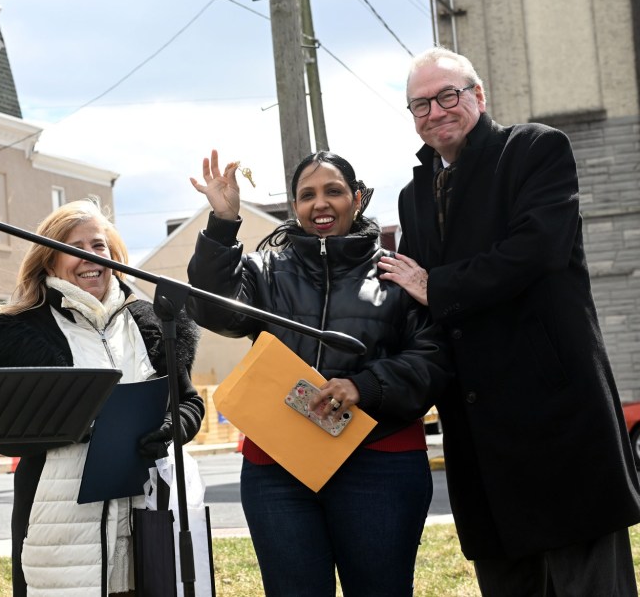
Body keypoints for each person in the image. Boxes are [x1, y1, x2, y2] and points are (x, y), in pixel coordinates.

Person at [380, 46, 640, 596]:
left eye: (447, 95)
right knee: (507, 580)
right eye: (420, 104)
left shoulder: (535, 150)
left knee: (590, 583)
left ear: (478, 95)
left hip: (557, 415)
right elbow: (410, 303)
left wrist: (437, 286)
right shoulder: (413, 196)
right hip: (477, 431)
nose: (436, 111)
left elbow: (537, 250)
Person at [187, 149, 451, 597]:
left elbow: (433, 358)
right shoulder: (264, 269)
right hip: (276, 469)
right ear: (295, 207)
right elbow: (216, 312)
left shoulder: (395, 273)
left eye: (333, 191)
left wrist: (363, 386)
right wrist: (223, 222)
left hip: (379, 464)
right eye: (307, 195)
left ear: (358, 199)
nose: (320, 203)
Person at [0, 199, 204, 597]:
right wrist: (72, 424)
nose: (89, 257)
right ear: (49, 261)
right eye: (73, 248)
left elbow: (189, 402)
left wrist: (170, 428)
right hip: (62, 530)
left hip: (149, 515)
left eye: (98, 245)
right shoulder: (18, 336)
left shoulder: (152, 323)